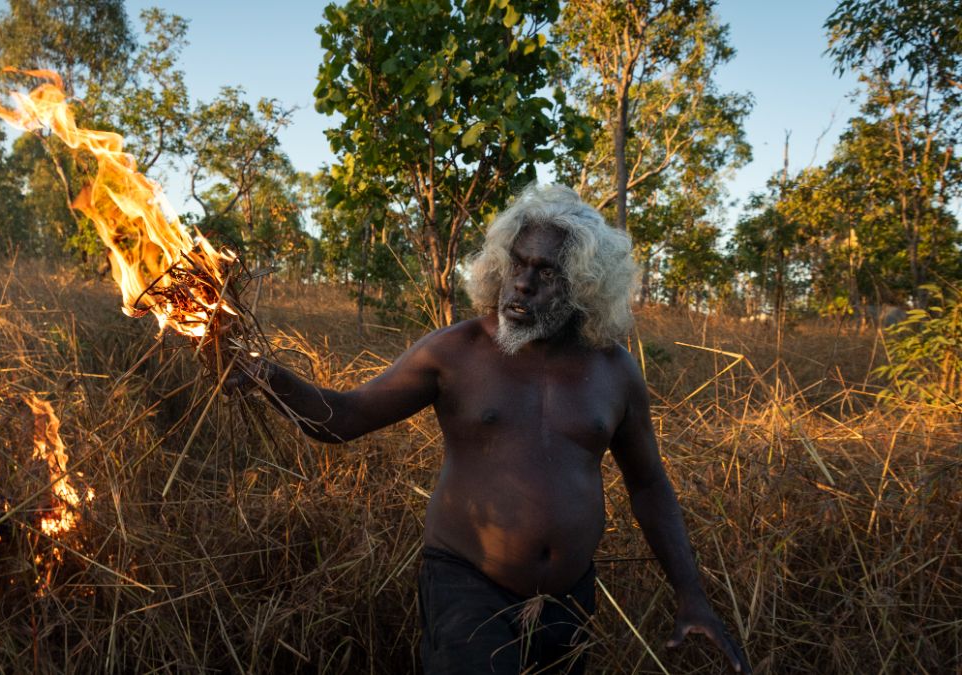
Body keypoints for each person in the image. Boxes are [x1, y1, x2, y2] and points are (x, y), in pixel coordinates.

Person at [229, 184, 750, 674]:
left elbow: (649, 484)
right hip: (467, 587)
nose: (521, 283)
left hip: (569, 601)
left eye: (546, 272)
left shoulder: (614, 371)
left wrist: (692, 596)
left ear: (583, 287)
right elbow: (340, 419)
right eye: (517, 264)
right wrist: (264, 373)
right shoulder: (454, 352)